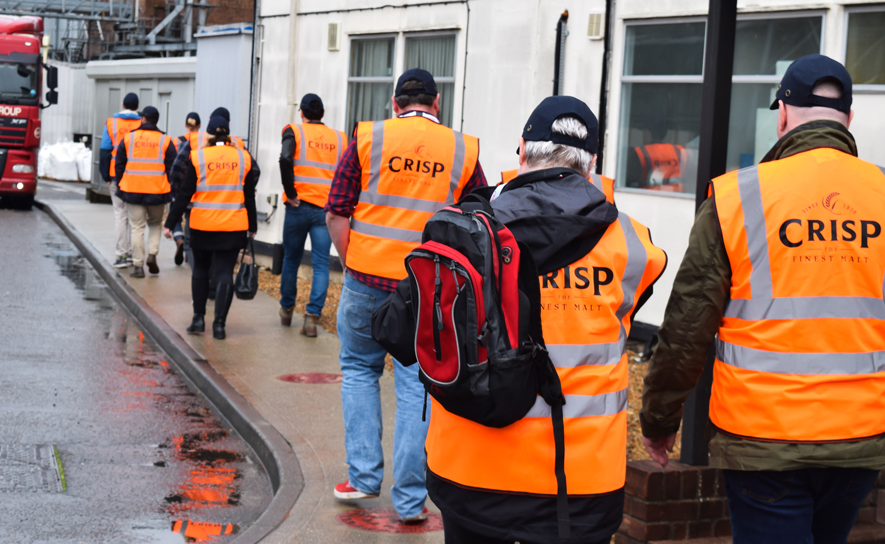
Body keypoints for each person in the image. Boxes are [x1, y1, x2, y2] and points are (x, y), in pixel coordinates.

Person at [639, 54, 885, 544]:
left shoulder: (738, 197)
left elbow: (689, 325)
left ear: (784, 114)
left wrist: (660, 418)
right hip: (859, 438)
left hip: (763, 442)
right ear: (850, 119)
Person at [426, 96, 666, 544]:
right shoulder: (634, 245)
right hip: (581, 481)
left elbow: (405, 333)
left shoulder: (465, 230)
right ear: (591, 164)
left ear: (521, 151)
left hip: (473, 469)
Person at [325, 68, 488, 523]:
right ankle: (411, 501)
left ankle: (361, 479)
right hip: (428, 290)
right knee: (417, 385)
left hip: (366, 280)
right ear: (437, 103)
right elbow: (479, 222)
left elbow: (337, 211)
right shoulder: (462, 149)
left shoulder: (366, 137)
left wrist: (353, 259)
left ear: (395, 104)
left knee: (358, 370)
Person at [163, 116, 260, 339]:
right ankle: (219, 326)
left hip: (202, 225)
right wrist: (252, 225)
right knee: (225, 272)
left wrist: (170, 223)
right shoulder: (243, 158)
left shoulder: (198, 157)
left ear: (207, 133)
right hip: (234, 225)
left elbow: (185, 192)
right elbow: (249, 195)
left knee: (200, 270)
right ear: (228, 134)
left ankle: (198, 320)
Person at [278, 93, 347, 337]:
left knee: (291, 260)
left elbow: (285, 159)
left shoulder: (294, 131)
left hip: (298, 206)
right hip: (325, 210)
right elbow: (347, 173)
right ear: (323, 114)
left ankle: (287, 310)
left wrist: (290, 192)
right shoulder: (340, 138)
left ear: (302, 113)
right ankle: (311, 317)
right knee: (320, 264)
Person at [114, 106, 177, 278]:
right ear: (156, 120)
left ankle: (138, 266)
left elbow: (119, 164)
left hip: (133, 190)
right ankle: (152, 255)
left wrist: (122, 183)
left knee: (136, 228)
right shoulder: (165, 140)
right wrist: (169, 188)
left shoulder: (128, 138)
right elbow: (173, 167)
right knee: (155, 224)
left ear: (142, 119)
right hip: (157, 191)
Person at [99, 92, 142, 268]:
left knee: (120, 215)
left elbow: (104, 151)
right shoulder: (142, 123)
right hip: (137, 175)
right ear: (138, 107)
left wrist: (105, 176)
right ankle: (132, 254)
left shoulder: (112, 123)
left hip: (116, 175)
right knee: (135, 217)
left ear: (123, 105)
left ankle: (121, 255)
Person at [171, 112, 202, 267]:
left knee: (175, 215)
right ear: (200, 126)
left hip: (179, 186)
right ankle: (189, 253)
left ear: (185, 125)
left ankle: (179, 239)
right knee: (190, 221)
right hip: (196, 189)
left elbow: (173, 164)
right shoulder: (203, 142)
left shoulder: (176, 141)